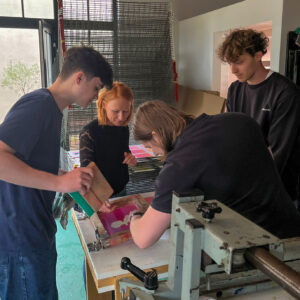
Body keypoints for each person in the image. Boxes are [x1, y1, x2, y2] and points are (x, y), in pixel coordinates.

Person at [0, 46, 113, 300]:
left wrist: (69, 179)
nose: (96, 97)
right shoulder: (39, 105)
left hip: (36, 229)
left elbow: (28, 161)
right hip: (21, 237)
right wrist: (60, 181)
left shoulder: (53, 110)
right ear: (79, 78)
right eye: (96, 88)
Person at [129, 100, 300, 249]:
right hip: (292, 229)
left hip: (261, 252)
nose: (153, 153)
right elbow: (267, 161)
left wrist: (135, 217)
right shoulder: (240, 120)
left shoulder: (178, 165)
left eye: (149, 146)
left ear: (156, 136)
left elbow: (144, 239)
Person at [218, 28, 300, 207]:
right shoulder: (235, 90)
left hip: (277, 192)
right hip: (245, 185)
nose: (233, 70)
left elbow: (276, 153)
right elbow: (233, 137)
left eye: (239, 62)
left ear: (258, 55)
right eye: (230, 63)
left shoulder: (285, 92)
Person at [80, 81, 137, 197]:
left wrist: (130, 158)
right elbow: (87, 169)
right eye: (115, 111)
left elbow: (123, 151)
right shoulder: (89, 132)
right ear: (104, 105)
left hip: (121, 189)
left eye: (126, 111)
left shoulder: (123, 128)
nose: (121, 117)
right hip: (100, 193)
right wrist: (98, 196)